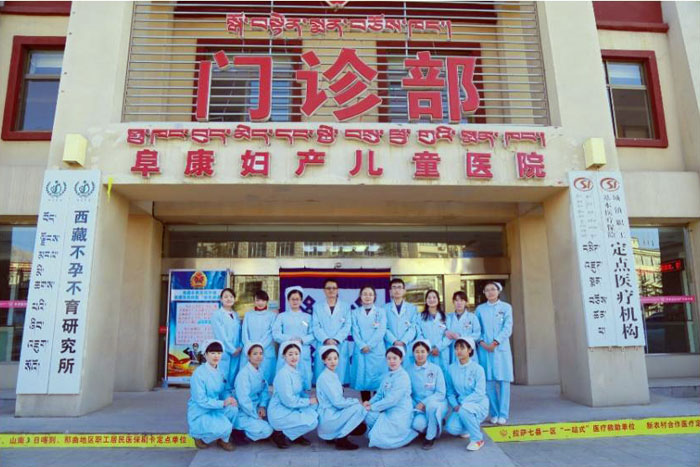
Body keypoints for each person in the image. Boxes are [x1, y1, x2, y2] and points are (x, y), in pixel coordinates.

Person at [186, 340, 238, 451]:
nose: (216, 356)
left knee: (233, 409)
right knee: (226, 427)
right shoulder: (199, 374)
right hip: (201, 411)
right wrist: (222, 403)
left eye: (219, 353)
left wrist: (229, 399)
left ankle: (223, 439)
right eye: (212, 353)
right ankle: (198, 435)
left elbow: (225, 389)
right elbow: (201, 400)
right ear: (205, 354)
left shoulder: (221, 371)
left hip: (215, 407)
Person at [363, 346, 419, 449]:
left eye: (394, 358)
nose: (392, 361)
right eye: (389, 358)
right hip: (388, 411)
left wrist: (372, 407)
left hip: (399, 414)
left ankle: (403, 436)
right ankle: (378, 431)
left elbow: (392, 400)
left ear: (401, 359)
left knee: (380, 439)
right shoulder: (388, 375)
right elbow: (379, 394)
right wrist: (369, 403)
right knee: (366, 413)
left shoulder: (403, 377)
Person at [316, 345, 368, 450]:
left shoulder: (332, 374)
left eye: (335, 358)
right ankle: (341, 439)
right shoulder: (325, 378)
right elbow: (338, 402)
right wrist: (357, 401)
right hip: (329, 416)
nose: (333, 362)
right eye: (329, 359)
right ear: (323, 360)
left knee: (361, 427)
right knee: (359, 408)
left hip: (332, 413)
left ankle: (333, 435)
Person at [268, 341, 319, 449]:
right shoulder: (283, 374)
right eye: (290, 354)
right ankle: (279, 434)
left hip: (291, 407)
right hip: (280, 411)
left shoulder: (296, 371)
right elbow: (289, 401)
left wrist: (310, 398)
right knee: (312, 422)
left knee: (315, 407)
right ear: (284, 356)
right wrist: (309, 401)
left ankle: (296, 434)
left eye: (296, 354)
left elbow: (299, 392)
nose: (294, 357)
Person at [475, 281, 513, 425]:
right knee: (488, 382)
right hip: (484, 349)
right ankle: (494, 413)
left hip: (501, 350)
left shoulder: (506, 308)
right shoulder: (480, 309)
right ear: (484, 293)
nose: (490, 292)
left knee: (504, 382)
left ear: (498, 291)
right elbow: (477, 329)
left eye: (493, 289)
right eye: (487, 290)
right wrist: (482, 343)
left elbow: (507, 328)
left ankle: (503, 414)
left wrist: (496, 342)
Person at [445, 336, 488, 451]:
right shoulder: (451, 369)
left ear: (469, 350)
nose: (458, 351)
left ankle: (477, 439)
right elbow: (450, 392)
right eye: (456, 348)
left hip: (478, 403)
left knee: (465, 410)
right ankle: (469, 425)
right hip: (460, 406)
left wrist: (463, 404)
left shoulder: (478, 369)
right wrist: (455, 405)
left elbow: (480, 393)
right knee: (451, 428)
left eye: (462, 348)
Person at [407, 339, 447, 450]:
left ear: (428, 353)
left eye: (423, 351)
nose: (420, 354)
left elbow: (441, 393)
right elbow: (407, 393)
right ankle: (436, 423)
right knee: (417, 425)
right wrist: (416, 405)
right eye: (417, 351)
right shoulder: (408, 370)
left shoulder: (436, 369)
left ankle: (430, 437)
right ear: (413, 353)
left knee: (432, 406)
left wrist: (424, 403)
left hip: (437, 403)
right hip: (418, 406)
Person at [350, 285, 387, 402]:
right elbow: (354, 330)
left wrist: (369, 345)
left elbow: (381, 330)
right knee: (363, 379)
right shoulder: (355, 312)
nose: (367, 297)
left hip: (376, 349)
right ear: (360, 296)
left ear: (374, 296)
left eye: (370, 294)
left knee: (377, 380)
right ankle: (365, 405)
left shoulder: (381, 312)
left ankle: (376, 406)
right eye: (365, 294)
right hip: (361, 349)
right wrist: (362, 345)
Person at [232, 342, 273, 445]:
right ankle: (238, 432)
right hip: (243, 410)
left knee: (275, 419)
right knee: (268, 430)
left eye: (261, 353)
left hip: (256, 406)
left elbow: (264, 390)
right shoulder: (244, 375)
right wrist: (255, 415)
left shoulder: (260, 370)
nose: (259, 356)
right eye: (255, 354)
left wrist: (262, 406)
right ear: (248, 356)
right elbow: (243, 400)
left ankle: (254, 427)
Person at [312, 279, 352, 385]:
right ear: (324, 290)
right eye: (328, 288)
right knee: (322, 375)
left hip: (339, 344)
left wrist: (336, 339)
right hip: (323, 343)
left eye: (334, 288)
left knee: (339, 374)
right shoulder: (317, 307)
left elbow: (347, 325)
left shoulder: (345, 306)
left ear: (337, 290)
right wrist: (326, 339)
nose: (331, 290)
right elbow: (315, 326)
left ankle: (339, 392)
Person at [273, 288, 314, 390]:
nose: (295, 301)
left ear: (301, 300)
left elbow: (313, 334)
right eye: (292, 299)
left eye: (297, 299)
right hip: (286, 350)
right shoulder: (282, 316)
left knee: (303, 378)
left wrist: (302, 340)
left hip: (303, 350)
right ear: (288, 300)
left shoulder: (308, 317)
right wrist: (290, 339)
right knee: (286, 380)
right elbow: (276, 334)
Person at [239, 290, 277, 382]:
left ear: (267, 301)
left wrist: (259, 347)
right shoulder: (248, 314)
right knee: (248, 377)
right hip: (249, 348)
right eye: (257, 300)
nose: (260, 303)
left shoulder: (272, 316)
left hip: (266, 349)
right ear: (254, 301)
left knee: (265, 379)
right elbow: (244, 331)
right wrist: (249, 345)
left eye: (263, 300)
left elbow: (270, 333)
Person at [210, 288, 242, 388]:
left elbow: (239, 333)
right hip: (225, 350)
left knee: (233, 375)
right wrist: (232, 349)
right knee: (223, 375)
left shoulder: (235, 315)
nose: (229, 299)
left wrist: (239, 347)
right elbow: (220, 335)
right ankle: (222, 395)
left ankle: (230, 394)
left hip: (237, 350)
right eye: (226, 297)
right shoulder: (217, 315)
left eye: (231, 297)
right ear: (221, 299)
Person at [383, 278, 418, 368]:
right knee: (391, 369)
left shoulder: (412, 308)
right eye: (394, 287)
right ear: (390, 291)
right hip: (390, 344)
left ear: (404, 290)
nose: (397, 290)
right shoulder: (384, 308)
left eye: (399, 287)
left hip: (407, 345)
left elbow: (413, 328)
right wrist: (394, 341)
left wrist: (403, 341)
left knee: (407, 370)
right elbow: (383, 328)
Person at [416, 289, 450, 372]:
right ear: (426, 300)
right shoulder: (420, 317)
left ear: (438, 300)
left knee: (443, 374)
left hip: (442, 351)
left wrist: (438, 347)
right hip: (427, 351)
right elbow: (419, 333)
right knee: (428, 373)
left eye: (434, 297)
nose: (432, 300)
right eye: (429, 298)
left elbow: (449, 336)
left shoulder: (445, 317)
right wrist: (428, 347)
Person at [446, 291, 481, 364]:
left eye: (462, 300)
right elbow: (445, 332)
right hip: (453, 349)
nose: (459, 303)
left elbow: (477, 334)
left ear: (466, 302)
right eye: (456, 300)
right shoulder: (448, 317)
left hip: (468, 350)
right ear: (453, 302)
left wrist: (461, 338)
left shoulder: (472, 317)